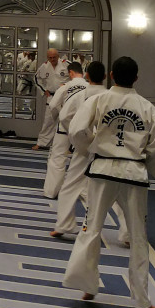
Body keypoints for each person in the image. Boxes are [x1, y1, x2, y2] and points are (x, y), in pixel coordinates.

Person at [62, 56, 155, 308]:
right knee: (138, 236)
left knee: (92, 228)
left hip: (102, 169)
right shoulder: (147, 108)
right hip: (134, 174)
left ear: (111, 75)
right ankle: (142, 298)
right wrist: (147, 166)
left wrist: (91, 148)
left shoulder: (98, 100)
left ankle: (87, 285)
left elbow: (76, 130)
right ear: (137, 78)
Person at [51, 61, 106, 238]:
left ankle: (64, 225)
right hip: (108, 150)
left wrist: (77, 137)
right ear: (105, 77)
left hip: (84, 147)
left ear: (87, 76)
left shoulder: (81, 95)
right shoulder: (110, 97)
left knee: (70, 186)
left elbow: (64, 116)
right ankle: (128, 233)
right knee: (117, 191)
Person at [43, 61, 87, 199]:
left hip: (64, 127)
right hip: (84, 128)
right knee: (83, 159)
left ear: (71, 73)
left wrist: (59, 115)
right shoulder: (90, 87)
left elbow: (53, 105)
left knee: (58, 157)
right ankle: (82, 192)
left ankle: (51, 192)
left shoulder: (65, 87)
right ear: (83, 73)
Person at [32, 48, 69, 150]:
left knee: (67, 120)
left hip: (65, 96)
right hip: (52, 96)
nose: (52, 59)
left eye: (54, 57)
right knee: (48, 121)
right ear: (47, 57)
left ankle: (69, 146)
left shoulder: (66, 64)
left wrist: (70, 87)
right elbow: (36, 79)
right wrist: (44, 90)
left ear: (58, 56)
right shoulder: (44, 66)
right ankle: (42, 143)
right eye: (50, 58)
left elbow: (77, 76)